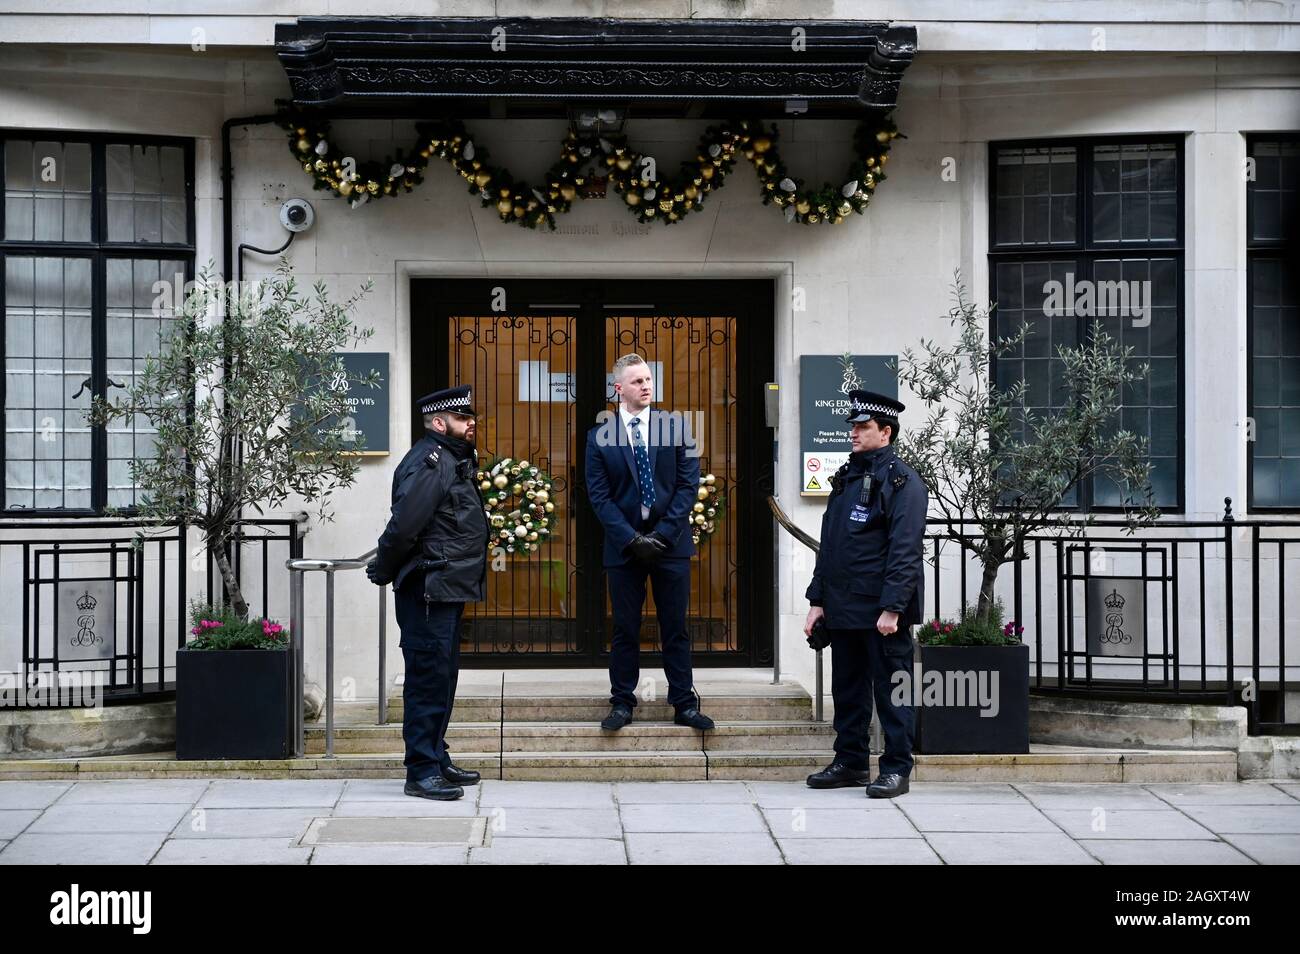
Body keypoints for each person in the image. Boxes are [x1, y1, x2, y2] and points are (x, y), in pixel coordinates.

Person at [366, 385, 488, 800]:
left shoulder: (451, 459)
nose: (471, 422)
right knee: (426, 678)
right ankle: (420, 771)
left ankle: (435, 757)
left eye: (471, 417)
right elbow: (404, 527)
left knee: (442, 677)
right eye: (462, 418)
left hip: (446, 587)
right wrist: (383, 567)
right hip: (428, 587)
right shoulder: (432, 463)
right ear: (439, 423)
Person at [803, 390, 927, 798]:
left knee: (892, 691)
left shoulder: (903, 482)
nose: (854, 433)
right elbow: (832, 545)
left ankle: (895, 768)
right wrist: (816, 601)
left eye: (863, 427)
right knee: (849, 690)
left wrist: (893, 607)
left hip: (881, 612)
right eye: (853, 426)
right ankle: (850, 762)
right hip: (844, 609)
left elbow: (905, 550)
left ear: (886, 432)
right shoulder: (847, 477)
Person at [584, 353, 714, 731]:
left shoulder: (677, 427)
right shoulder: (599, 436)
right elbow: (599, 496)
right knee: (625, 628)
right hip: (624, 549)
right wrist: (632, 539)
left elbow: (688, 486)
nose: (646, 385)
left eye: (648, 379)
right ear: (618, 388)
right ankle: (622, 702)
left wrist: (661, 535)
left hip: (670, 546)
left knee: (675, 626)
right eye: (637, 381)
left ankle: (684, 704)